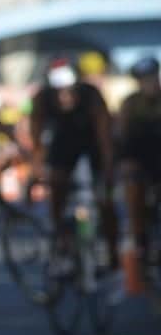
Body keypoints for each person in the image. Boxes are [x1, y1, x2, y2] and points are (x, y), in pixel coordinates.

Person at [29, 56, 119, 273]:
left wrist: (107, 169)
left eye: (68, 91)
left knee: (104, 200)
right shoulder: (42, 98)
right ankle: (60, 241)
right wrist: (37, 168)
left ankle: (112, 251)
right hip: (62, 148)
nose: (64, 97)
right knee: (57, 190)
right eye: (58, 92)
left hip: (91, 146)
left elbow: (104, 136)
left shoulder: (91, 96)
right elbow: (37, 135)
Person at [118, 56, 161, 271]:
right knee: (134, 192)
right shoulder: (131, 104)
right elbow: (123, 139)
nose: (151, 83)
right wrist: (127, 163)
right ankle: (140, 240)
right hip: (139, 160)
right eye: (145, 79)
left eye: (153, 77)